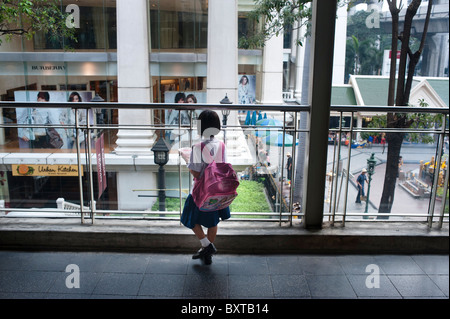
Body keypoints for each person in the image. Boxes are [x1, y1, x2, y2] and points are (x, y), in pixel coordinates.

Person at [180, 110, 231, 265]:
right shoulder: (221, 145)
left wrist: (186, 158)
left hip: (200, 192)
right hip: (217, 190)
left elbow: (196, 173)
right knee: (213, 222)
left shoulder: (198, 147)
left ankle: (206, 246)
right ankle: (207, 254)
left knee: (188, 218)